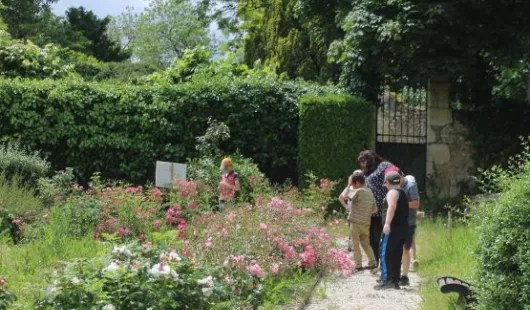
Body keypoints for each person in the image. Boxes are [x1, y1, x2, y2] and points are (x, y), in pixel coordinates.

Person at [357, 150, 396, 265]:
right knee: (370, 239)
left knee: (380, 238)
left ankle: (384, 264)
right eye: (361, 162)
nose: (362, 164)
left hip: (381, 211)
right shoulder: (366, 172)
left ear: (371, 159)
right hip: (368, 212)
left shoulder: (384, 165)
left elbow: (397, 176)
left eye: (364, 161)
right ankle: (374, 262)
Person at [374, 171, 409, 290]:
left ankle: (386, 280)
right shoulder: (403, 192)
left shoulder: (392, 193)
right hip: (402, 228)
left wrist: (387, 224)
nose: (384, 185)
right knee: (396, 254)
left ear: (388, 182)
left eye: (385, 182)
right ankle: (395, 280)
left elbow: (392, 207)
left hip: (392, 229)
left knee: (385, 253)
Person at [344, 170, 378, 272]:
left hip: (355, 222)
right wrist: (365, 212)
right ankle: (373, 263)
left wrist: (348, 185)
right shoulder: (370, 192)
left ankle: (358, 265)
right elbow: (375, 209)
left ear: (357, 183)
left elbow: (345, 197)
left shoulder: (358, 191)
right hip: (366, 223)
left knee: (355, 244)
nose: (352, 186)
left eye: (353, 184)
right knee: (366, 244)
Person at [398, 174, 420, 286]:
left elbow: (416, 204)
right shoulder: (396, 184)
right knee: (401, 248)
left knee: (406, 248)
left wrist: (400, 204)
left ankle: (405, 275)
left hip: (408, 222)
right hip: (399, 222)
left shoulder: (410, 185)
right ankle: (396, 274)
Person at [338, 175, 354, 252]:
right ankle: (350, 246)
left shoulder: (352, 188)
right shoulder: (350, 189)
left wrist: (346, 206)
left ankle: (351, 246)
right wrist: (346, 207)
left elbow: (341, 197)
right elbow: (341, 197)